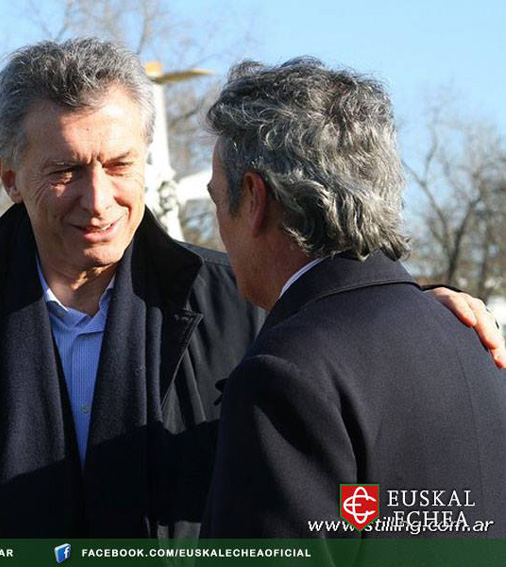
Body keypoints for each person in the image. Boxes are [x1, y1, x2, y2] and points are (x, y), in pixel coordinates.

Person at [0, 39, 504, 539]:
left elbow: (340, 369)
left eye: (119, 165)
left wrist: (421, 307)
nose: (98, 201)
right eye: (65, 171)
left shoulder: (238, 300)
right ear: (9, 177)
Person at [201, 58, 506, 538]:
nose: (220, 224)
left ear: (255, 198)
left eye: (219, 199)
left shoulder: (285, 373)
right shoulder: (474, 339)